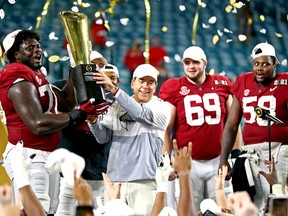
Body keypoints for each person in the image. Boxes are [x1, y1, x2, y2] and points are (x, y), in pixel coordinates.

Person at [0, 29, 107, 215]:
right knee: (35, 209)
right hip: (28, 154)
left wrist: (76, 67)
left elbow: (66, 101)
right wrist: (81, 114)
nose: (37, 50)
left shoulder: (36, 76)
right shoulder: (16, 77)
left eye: (38, 46)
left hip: (47, 154)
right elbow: (37, 124)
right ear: (16, 54)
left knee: (50, 210)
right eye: (30, 47)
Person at [159, 46, 242, 213]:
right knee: (190, 208)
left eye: (195, 62)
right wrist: (166, 160)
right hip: (188, 161)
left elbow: (233, 124)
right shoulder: (174, 87)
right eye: (187, 62)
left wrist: (234, 155)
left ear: (205, 63)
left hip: (218, 158)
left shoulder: (221, 83)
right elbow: (165, 128)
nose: (191, 66)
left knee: (222, 209)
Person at [88, 64, 172, 215]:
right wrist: (93, 122)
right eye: (142, 81)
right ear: (132, 83)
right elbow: (103, 138)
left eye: (150, 82)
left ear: (155, 86)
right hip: (115, 181)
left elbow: (140, 114)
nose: (145, 86)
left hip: (144, 181)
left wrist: (114, 90)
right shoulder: (117, 106)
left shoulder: (161, 107)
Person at [219, 42, 288, 211]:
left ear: (275, 65)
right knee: (252, 203)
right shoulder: (243, 81)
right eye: (256, 63)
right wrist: (223, 160)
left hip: (279, 150)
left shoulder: (285, 82)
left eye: (266, 64)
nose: (260, 68)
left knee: (278, 198)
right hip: (250, 153)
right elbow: (231, 126)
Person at [54, 54, 116, 216]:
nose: (96, 68)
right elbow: (53, 119)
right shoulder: (61, 88)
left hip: (100, 170)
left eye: (101, 65)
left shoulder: (111, 96)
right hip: (68, 172)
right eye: (92, 64)